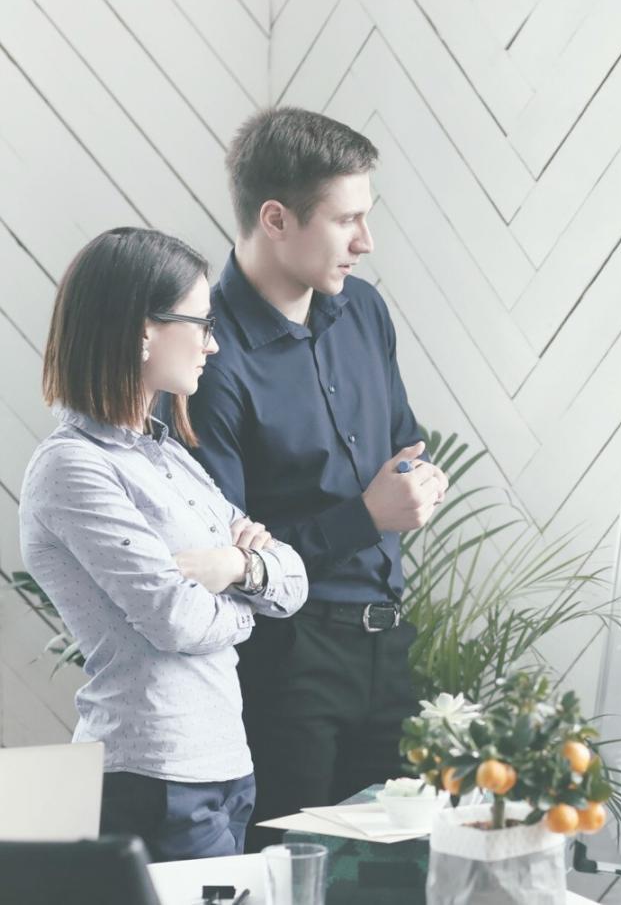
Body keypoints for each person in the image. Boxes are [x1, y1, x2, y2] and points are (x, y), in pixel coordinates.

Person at [187, 107, 448, 849]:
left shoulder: (364, 309)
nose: (366, 241)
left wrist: (416, 486)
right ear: (276, 218)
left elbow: (405, 445)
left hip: (388, 646)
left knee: (392, 877)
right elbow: (230, 559)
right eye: (346, 220)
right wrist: (369, 516)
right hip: (285, 661)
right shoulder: (207, 358)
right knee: (288, 874)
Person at [19, 227, 308, 861]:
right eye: (202, 324)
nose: (213, 343)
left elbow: (292, 580)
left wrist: (232, 565)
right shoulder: (73, 466)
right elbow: (175, 619)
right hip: (152, 776)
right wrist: (247, 598)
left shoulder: (169, 456)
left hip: (227, 766)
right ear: (143, 331)